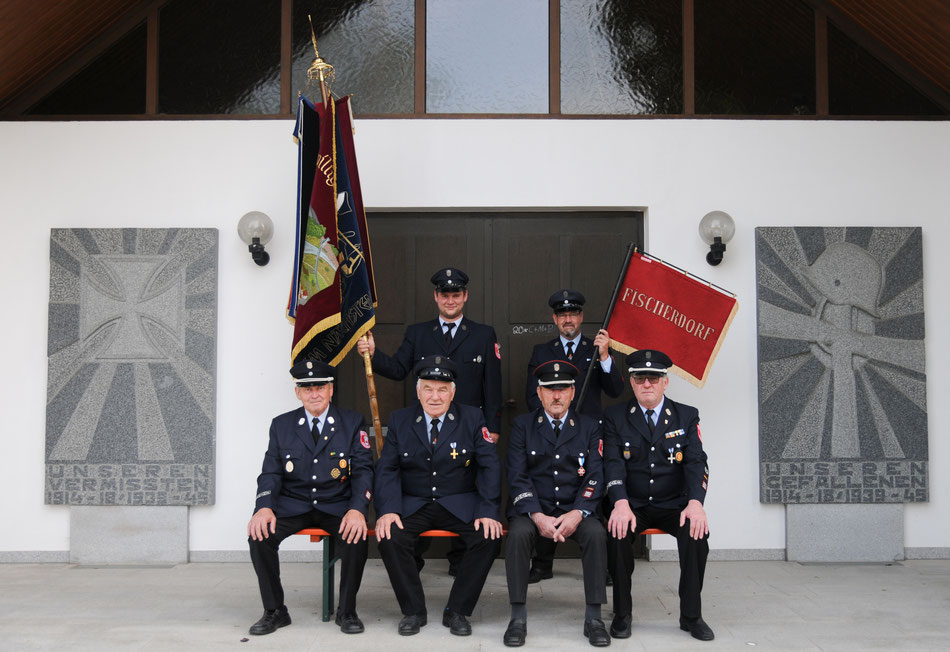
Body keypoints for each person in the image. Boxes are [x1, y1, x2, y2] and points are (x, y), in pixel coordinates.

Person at [358, 267, 502, 574]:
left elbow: (493, 386)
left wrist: (493, 428)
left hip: (470, 430)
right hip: (425, 431)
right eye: (444, 295)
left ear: (465, 297)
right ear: (436, 297)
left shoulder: (483, 334)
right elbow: (398, 369)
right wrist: (373, 352)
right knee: (422, 485)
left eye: (456, 295)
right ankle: (413, 554)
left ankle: (461, 559)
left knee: (465, 490)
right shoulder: (418, 333)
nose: (450, 301)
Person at [374, 356, 504, 637]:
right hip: (414, 502)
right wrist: (388, 509)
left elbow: (490, 465)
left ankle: (457, 610)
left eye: (442, 389)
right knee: (389, 535)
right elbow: (387, 468)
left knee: (489, 536)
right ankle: (413, 610)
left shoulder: (472, 417)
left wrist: (488, 509)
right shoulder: (400, 420)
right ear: (418, 391)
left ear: (453, 392)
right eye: (428, 389)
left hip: (459, 502)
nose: (435, 396)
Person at [247, 360, 374, 636]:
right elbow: (270, 472)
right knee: (259, 535)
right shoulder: (281, 425)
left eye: (320, 387)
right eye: (307, 389)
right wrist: (264, 507)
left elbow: (363, 470)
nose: (314, 394)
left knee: (357, 535)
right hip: (294, 505)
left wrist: (357, 509)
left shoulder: (352, 422)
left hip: (336, 504)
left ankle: (347, 610)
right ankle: (275, 610)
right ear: (298, 393)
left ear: (331, 390)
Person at [603, 350, 714, 642]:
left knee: (696, 533)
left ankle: (691, 615)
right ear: (632, 382)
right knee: (615, 534)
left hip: (673, 503)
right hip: (633, 504)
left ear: (665, 382)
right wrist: (620, 502)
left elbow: (696, 462)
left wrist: (695, 503)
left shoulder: (686, 415)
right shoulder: (615, 416)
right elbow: (612, 462)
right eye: (640, 378)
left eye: (654, 378)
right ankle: (622, 615)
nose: (647, 384)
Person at [504, 360, 610, 647]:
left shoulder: (589, 427)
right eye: (550, 389)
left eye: (562, 389)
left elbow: (596, 474)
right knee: (518, 534)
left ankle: (594, 617)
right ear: (539, 393)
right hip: (534, 508)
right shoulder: (523, 425)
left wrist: (578, 512)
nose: (556, 395)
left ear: (573, 393)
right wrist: (537, 515)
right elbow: (517, 474)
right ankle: (517, 617)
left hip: (575, 507)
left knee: (596, 533)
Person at [524, 289, 624, 583]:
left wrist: (605, 356)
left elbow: (616, 390)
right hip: (551, 434)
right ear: (555, 319)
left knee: (596, 496)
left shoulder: (597, 348)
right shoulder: (542, 352)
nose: (568, 319)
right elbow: (532, 396)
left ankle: (601, 565)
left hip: (589, 436)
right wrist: (552, 419)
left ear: (581, 317)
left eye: (574, 314)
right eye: (563, 315)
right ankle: (542, 563)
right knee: (548, 491)